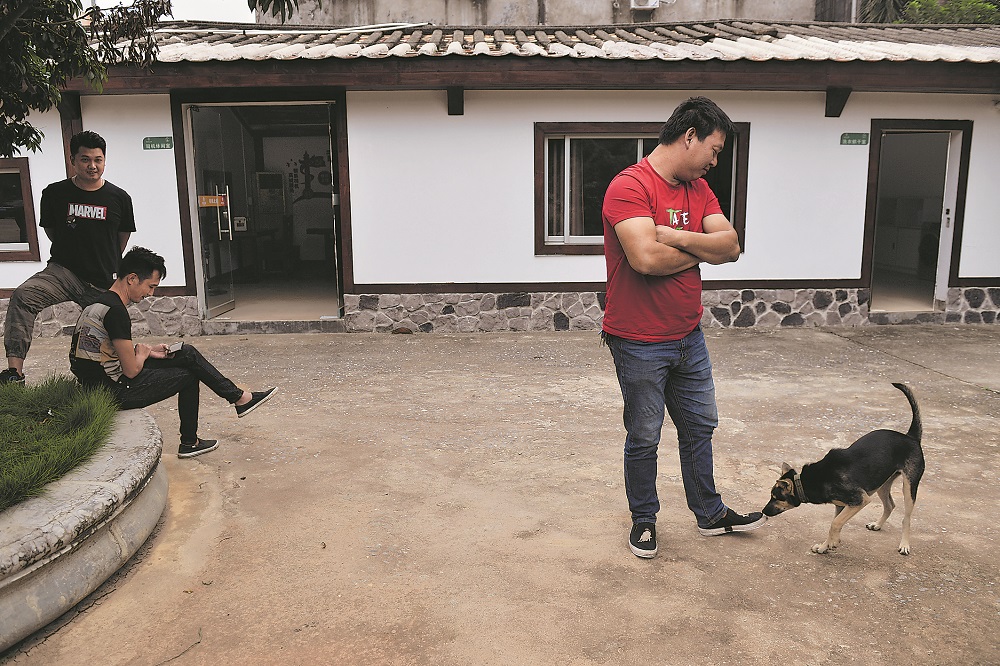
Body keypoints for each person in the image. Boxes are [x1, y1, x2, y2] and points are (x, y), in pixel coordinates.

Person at [601, 96, 765, 559]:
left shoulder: (700, 189)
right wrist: (701, 249)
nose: (715, 161)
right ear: (690, 136)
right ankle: (644, 520)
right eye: (714, 150)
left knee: (700, 426)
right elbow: (645, 259)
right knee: (645, 435)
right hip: (638, 340)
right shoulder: (629, 186)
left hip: (689, 336)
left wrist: (672, 235)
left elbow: (731, 247)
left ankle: (709, 513)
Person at [69, 246, 277, 458]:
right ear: (132, 278)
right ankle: (191, 442)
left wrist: (149, 351)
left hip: (98, 383)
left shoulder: (97, 305)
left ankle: (239, 398)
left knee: (186, 353)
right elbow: (131, 371)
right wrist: (141, 354)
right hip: (114, 391)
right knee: (188, 376)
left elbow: (101, 351)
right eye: (150, 286)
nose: (150, 294)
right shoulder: (116, 312)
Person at [1, 131, 135, 385]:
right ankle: (14, 374)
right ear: (73, 160)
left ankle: (114, 382)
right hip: (63, 272)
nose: (92, 165)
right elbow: (52, 231)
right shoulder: (54, 194)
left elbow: (121, 239)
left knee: (110, 330)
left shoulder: (120, 198)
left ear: (104, 161)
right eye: (85, 159)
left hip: (103, 279)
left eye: (98, 159)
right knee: (23, 296)